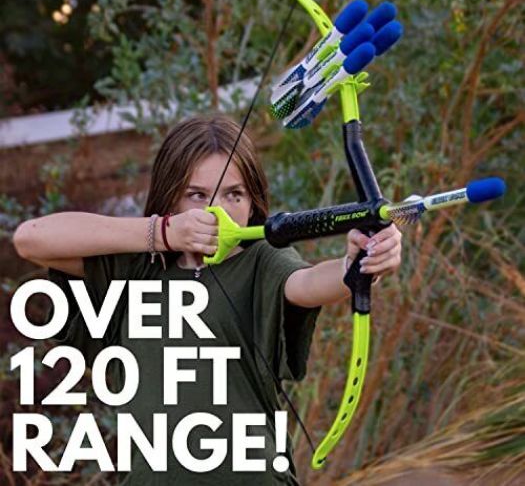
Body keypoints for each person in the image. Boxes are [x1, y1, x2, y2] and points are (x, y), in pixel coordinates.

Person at [13, 114, 402, 485]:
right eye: (196, 196)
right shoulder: (136, 267)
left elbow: (309, 283)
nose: (217, 212)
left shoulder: (263, 261)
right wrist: (163, 234)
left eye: (234, 195)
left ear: (253, 203)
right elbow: (30, 239)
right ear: (170, 199)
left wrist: (358, 265)